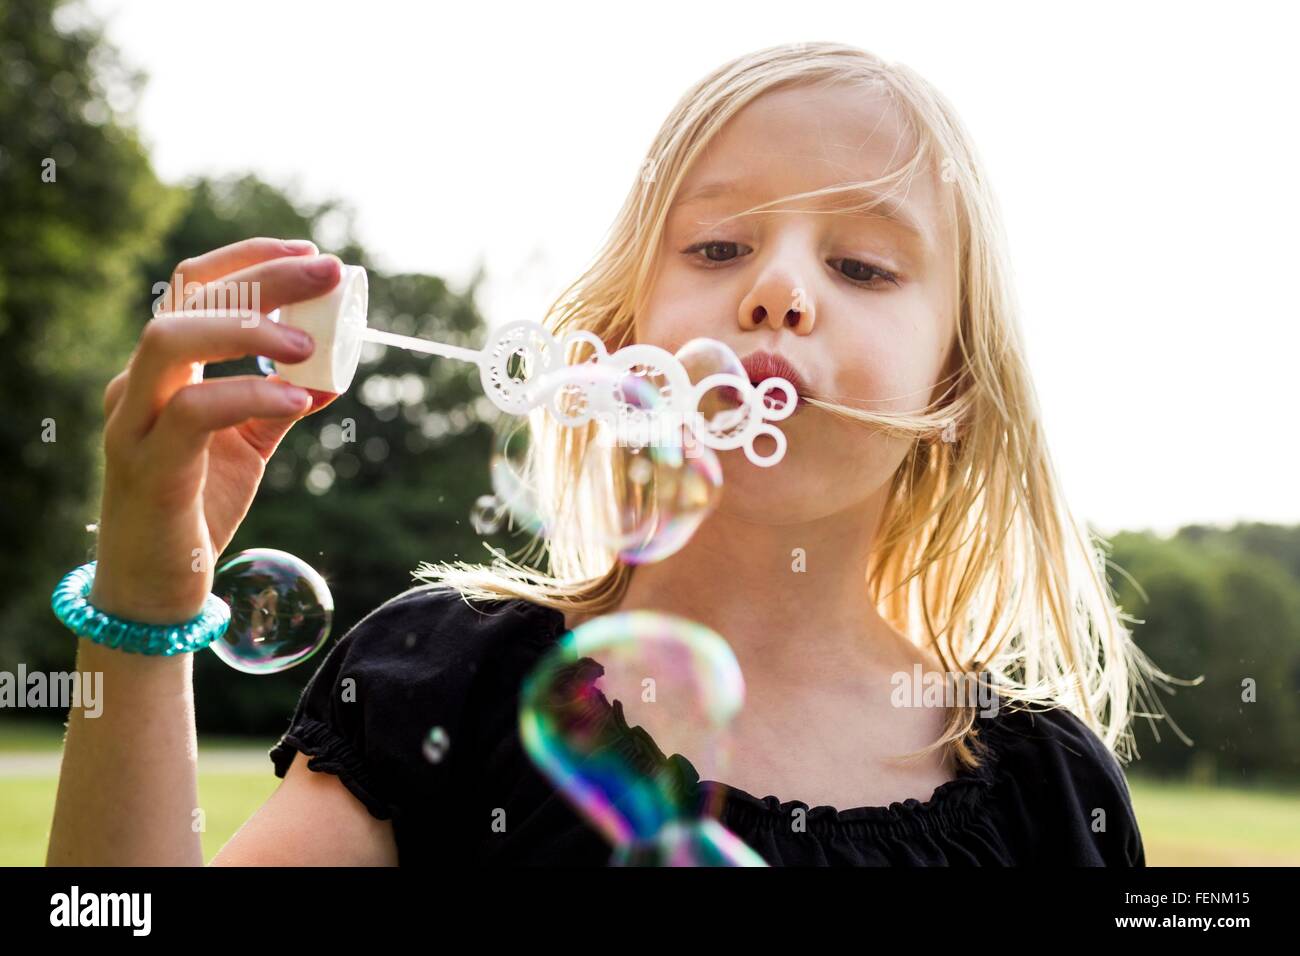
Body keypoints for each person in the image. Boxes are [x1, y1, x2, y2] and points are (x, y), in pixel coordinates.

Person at [46, 41, 1171, 866]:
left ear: (956, 390)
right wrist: (150, 593)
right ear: (619, 349)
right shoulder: (454, 682)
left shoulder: (1050, 795)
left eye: (863, 267)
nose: (778, 292)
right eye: (720, 246)